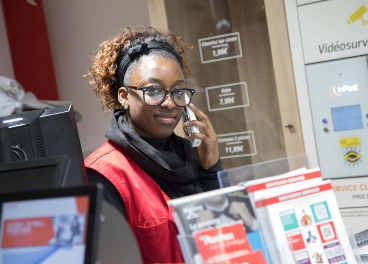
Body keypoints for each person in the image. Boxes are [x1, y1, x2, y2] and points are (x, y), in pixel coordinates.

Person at [84, 26, 228, 263]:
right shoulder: (104, 174)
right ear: (123, 96)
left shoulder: (192, 155)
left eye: (178, 91)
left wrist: (212, 170)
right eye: (153, 90)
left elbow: (228, 236)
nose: (170, 104)